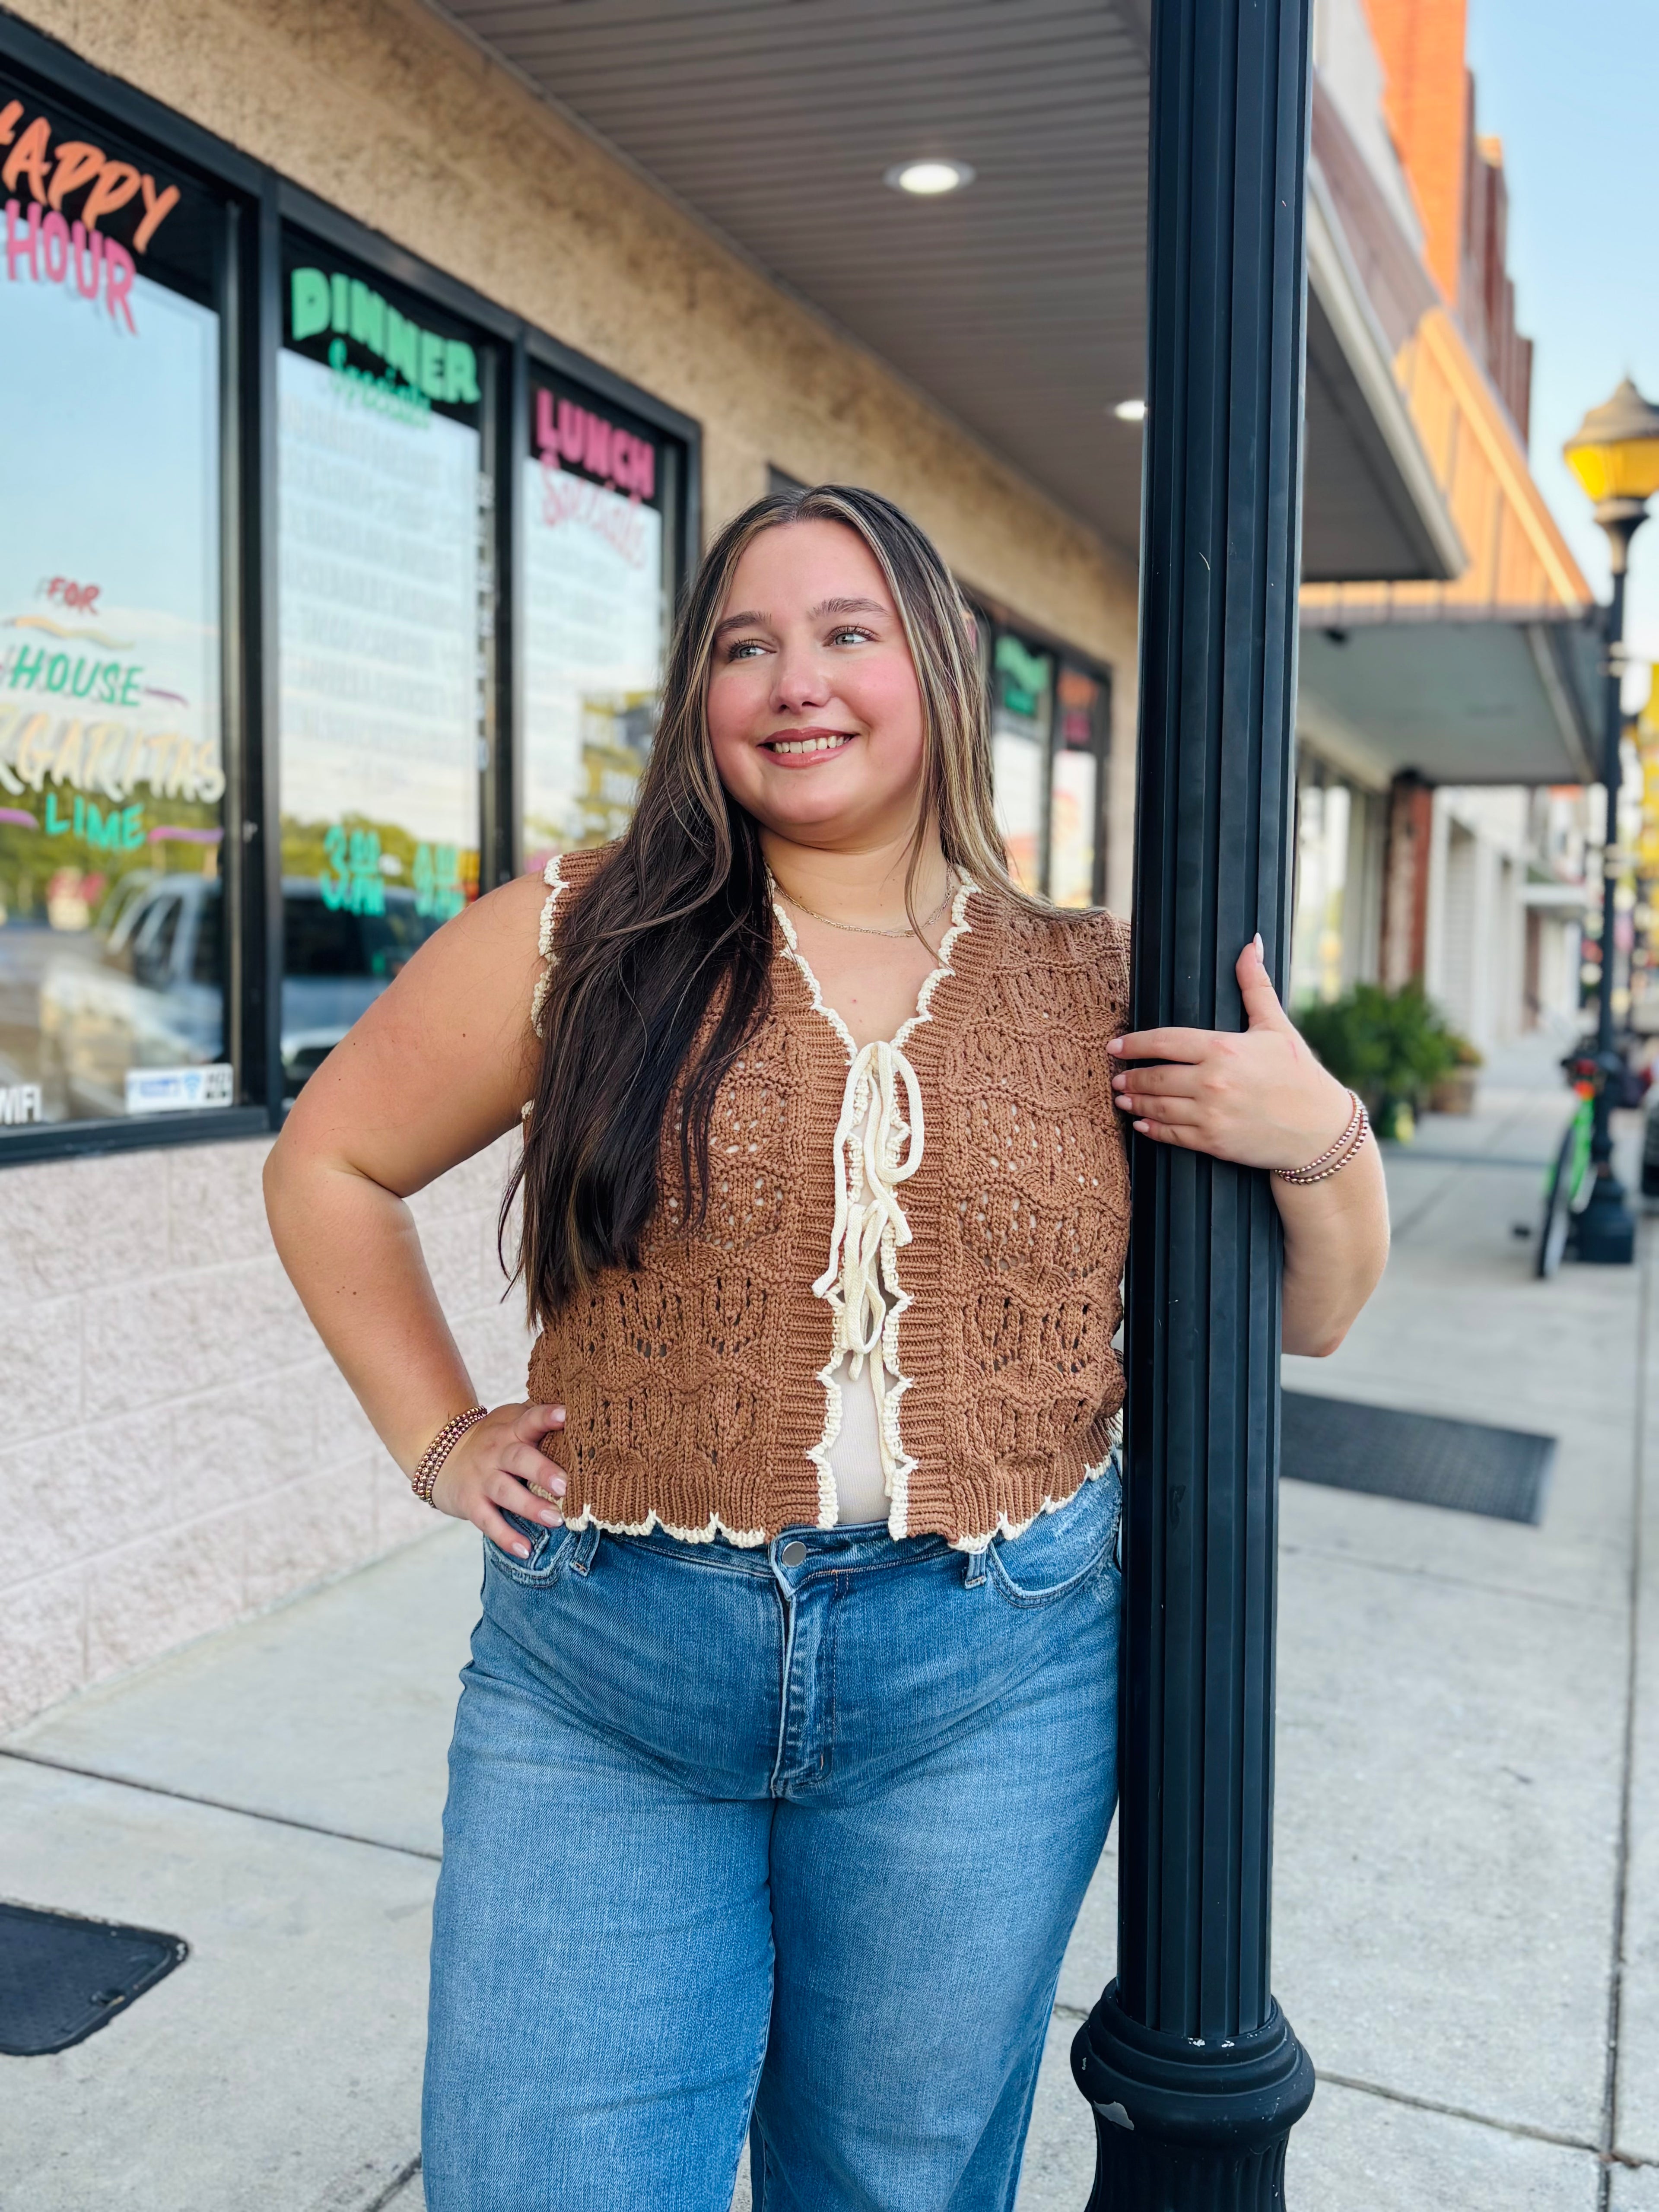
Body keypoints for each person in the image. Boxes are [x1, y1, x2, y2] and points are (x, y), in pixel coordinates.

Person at [264, 484, 1388, 2212]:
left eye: (846, 632)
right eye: (746, 645)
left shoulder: (1098, 975)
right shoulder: (579, 937)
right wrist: (438, 1434)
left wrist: (1323, 1134)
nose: (797, 680)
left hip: (989, 1684)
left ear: (932, 664)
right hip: (610, 1683)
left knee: (893, 2185)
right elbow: (330, 1162)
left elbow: (1302, 1309)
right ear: (700, 698)